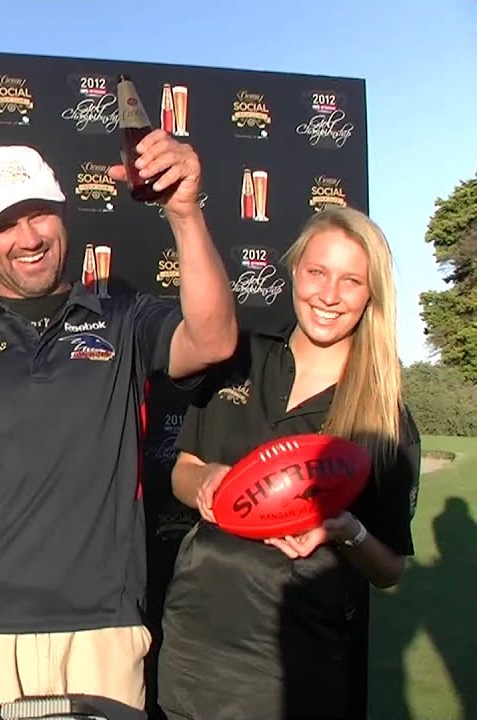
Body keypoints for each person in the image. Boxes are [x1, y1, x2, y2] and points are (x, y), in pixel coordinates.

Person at [0, 135, 238, 720]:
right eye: (5, 224)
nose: (28, 238)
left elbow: (213, 340)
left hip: (102, 630)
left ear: (63, 213)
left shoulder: (124, 316)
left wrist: (184, 212)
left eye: (39, 214)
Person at [157, 207, 420, 720]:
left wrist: (346, 529)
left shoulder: (383, 416)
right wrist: (205, 480)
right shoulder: (240, 358)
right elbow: (182, 470)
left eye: (351, 281)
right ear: (295, 270)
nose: (329, 295)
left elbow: (389, 569)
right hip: (193, 643)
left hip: (294, 664)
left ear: (371, 295)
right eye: (317, 272)